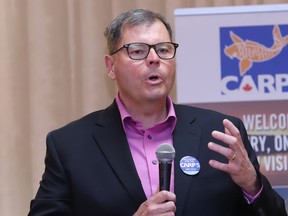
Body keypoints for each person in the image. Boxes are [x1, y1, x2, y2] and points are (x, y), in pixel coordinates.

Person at [28, 8, 287, 216]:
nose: (154, 59)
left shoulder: (222, 132)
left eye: (163, 50)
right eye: (138, 51)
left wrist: (252, 184)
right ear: (110, 66)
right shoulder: (70, 145)